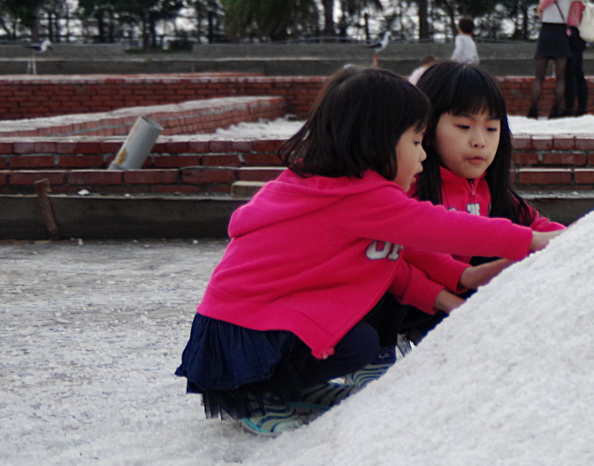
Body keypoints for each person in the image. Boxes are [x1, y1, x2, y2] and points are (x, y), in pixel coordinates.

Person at [174, 66, 560, 435]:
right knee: (354, 341)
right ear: (378, 141)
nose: (422, 154)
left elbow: (395, 260)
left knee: (358, 343)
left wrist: (450, 293)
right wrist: (530, 241)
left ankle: (292, 389)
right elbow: (444, 229)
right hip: (245, 332)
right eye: (414, 142)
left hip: (262, 322)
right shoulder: (359, 197)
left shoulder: (343, 191)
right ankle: (254, 396)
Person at [374, 61, 565, 345]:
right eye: (464, 126)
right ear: (424, 128)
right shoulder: (406, 188)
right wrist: (459, 280)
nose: (479, 141)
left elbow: (540, 229)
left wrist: (584, 234)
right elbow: (405, 253)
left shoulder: (494, 192)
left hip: (455, 301)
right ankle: (382, 350)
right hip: (405, 304)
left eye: (491, 128)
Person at [528, 0, 587, 119]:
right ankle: (556, 110)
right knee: (560, 78)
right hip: (561, 33)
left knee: (539, 77)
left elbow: (542, 8)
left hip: (546, 32)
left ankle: (533, 110)